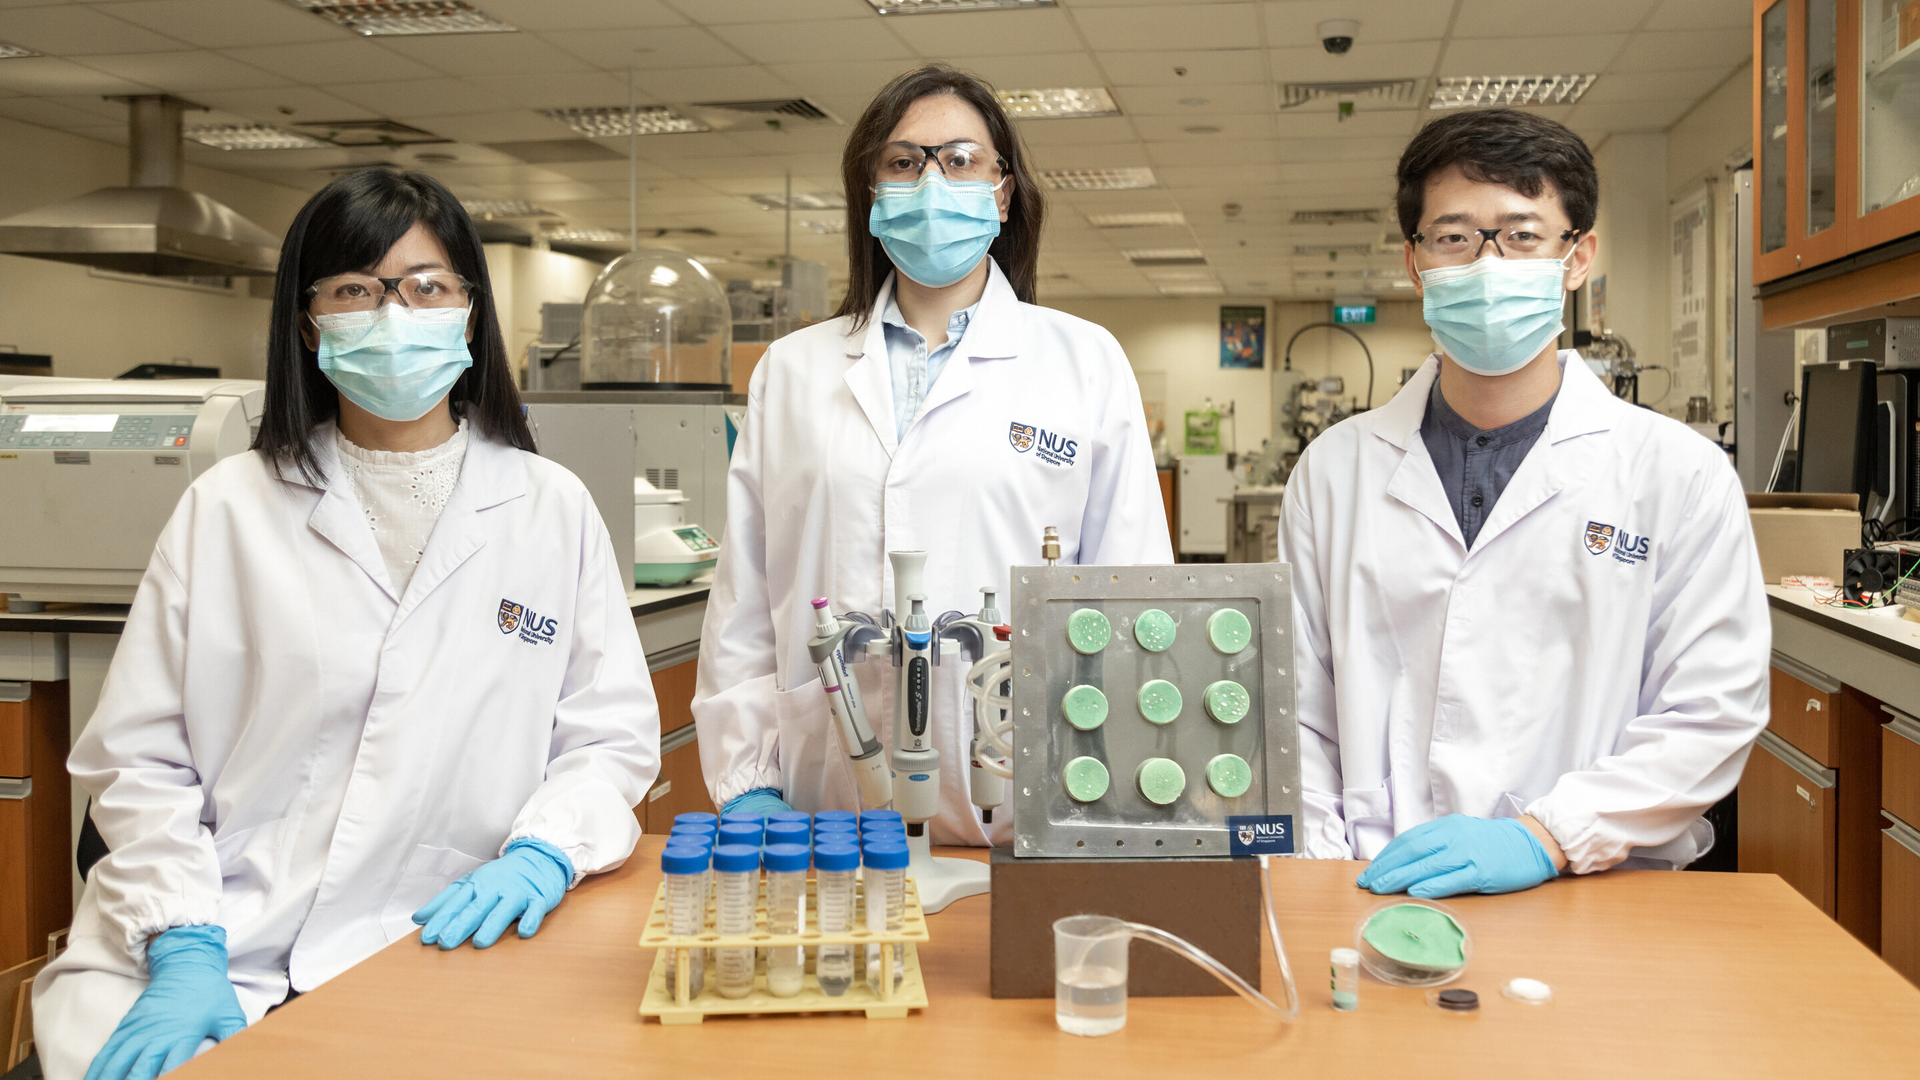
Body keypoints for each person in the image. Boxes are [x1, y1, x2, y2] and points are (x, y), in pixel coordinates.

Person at [34, 168, 661, 1080]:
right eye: (357, 291)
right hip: (223, 930)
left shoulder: (547, 507)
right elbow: (138, 760)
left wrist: (543, 851)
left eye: (427, 287)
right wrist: (183, 939)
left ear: (470, 314)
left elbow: (607, 738)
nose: (395, 314)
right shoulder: (229, 507)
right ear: (308, 323)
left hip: (447, 923)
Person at [1279, 109, 1768, 897]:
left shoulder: (1678, 474)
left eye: (1520, 235)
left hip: (1593, 885)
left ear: (1577, 258)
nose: (1487, 264)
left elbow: (1712, 711)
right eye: (1453, 237)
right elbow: (1293, 705)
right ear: (1415, 262)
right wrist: (1325, 875)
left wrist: (1548, 836)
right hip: (1371, 882)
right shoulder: (1335, 471)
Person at [693, 64, 1171, 844]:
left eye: (960, 160)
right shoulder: (793, 370)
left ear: (1003, 193)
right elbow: (747, 599)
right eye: (904, 162)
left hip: (1026, 805)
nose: (932, 182)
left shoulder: (1083, 361)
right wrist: (749, 779)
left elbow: (1133, 595)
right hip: (826, 819)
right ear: (872, 194)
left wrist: (1108, 788)